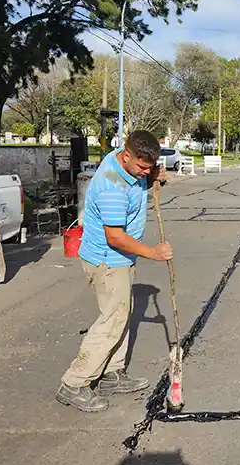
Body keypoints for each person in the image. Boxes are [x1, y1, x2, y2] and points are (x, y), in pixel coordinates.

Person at [56, 130, 172, 413]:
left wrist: (151, 177)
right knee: (111, 321)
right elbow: (115, 237)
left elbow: (141, 176)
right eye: (143, 167)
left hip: (120, 258)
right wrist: (153, 253)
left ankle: (111, 374)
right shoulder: (112, 187)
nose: (146, 171)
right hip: (108, 259)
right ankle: (74, 383)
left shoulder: (126, 164)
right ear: (127, 155)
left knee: (121, 317)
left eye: (150, 166)